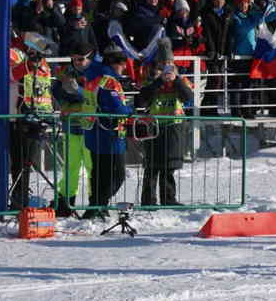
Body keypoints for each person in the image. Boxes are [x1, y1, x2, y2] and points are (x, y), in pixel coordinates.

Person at [136, 40, 193, 206]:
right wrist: (159, 81)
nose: (166, 67)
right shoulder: (151, 80)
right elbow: (141, 100)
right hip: (153, 127)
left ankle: (169, 198)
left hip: (174, 126)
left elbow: (188, 98)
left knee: (169, 166)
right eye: (163, 64)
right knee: (152, 166)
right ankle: (148, 200)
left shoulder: (181, 80)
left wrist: (175, 81)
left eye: (169, 63)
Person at [81, 45, 133, 219]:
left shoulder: (92, 76)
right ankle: (97, 206)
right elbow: (117, 109)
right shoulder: (108, 80)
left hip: (92, 131)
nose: (124, 67)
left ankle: (95, 207)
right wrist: (130, 109)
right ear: (113, 63)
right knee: (117, 175)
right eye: (122, 63)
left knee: (99, 174)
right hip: (109, 134)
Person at [51, 41, 101, 217]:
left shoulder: (98, 72)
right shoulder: (66, 71)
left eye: (80, 59)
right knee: (70, 167)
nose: (77, 62)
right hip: (71, 126)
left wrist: (77, 91)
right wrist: (70, 92)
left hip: (91, 128)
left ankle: (96, 204)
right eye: (74, 59)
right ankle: (65, 201)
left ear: (90, 57)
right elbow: (55, 91)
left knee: (91, 167)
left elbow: (95, 97)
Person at [9, 34, 55, 210]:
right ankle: (18, 199)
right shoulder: (15, 53)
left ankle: (21, 197)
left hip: (39, 115)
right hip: (18, 116)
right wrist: (28, 65)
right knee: (20, 162)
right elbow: (10, 74)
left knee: (28, 161)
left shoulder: (44, 63)